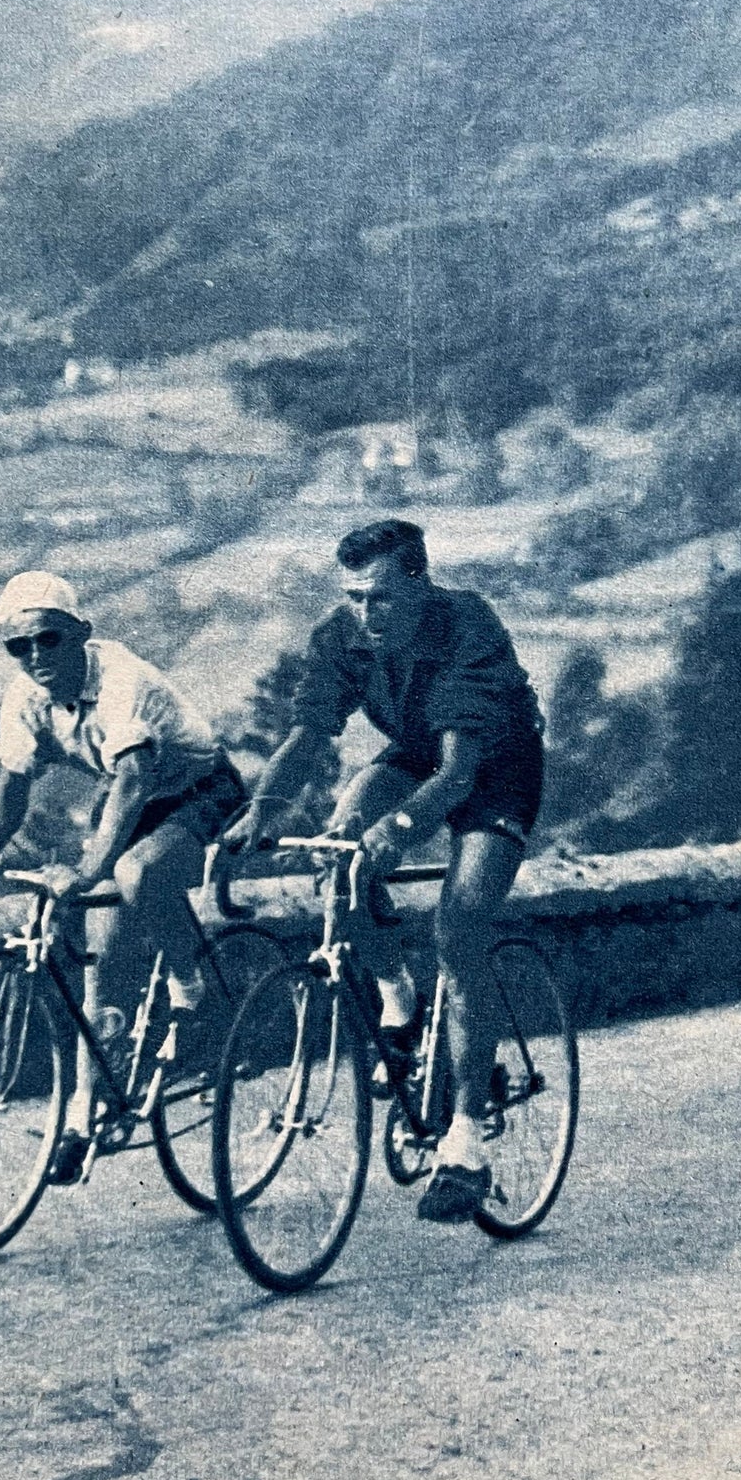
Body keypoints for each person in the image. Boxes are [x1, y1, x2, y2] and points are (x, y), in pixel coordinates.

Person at [231, 519, 545, 1224]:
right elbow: (308, 734)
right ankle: (398, 1003)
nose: (365, 614)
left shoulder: (466, 624)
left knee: (459, 927)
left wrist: (397, 831)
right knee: (339, 856)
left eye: (379, 597)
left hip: (495, 767)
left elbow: (458, 773)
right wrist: (265, 807)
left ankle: (465, 1144)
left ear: (418, 581)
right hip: (416, 754)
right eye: (353, 597)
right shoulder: (341, 635)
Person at [0, 571, 247, 1182]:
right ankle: (87, 1113)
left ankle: (194, 994)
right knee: (101, 965)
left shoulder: (120, 680)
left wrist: (86, 872)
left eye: (49, 639)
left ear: (81, 633)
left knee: (137, 873)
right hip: (122, 802)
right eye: (19, 646)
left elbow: (134, 782)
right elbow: (13, 783)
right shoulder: (26, 696)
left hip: (199, 791)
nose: (36, 655)